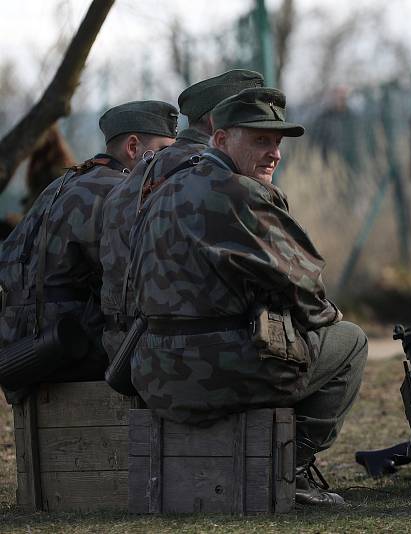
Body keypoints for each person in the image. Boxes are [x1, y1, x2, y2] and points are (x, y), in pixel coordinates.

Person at [127, 87, 367, 507]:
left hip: (156, 376)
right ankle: (289, 468)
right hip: (220, 373)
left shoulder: (161, 190)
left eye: (277, 142)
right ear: (220, 139)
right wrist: (320, 317)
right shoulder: (242, 193)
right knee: (349, 342)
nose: (274, 152)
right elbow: (309, 292)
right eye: (260, 139)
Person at [0, 101, 177, 402]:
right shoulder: (119, 193)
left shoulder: (61, 184)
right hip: (69, 353)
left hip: (21, 345)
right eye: (163, 153)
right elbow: (135, 284)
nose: (168, 166)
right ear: (133, 147)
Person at [100, 70, 264, 359]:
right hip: (201, 351)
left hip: (126, 351)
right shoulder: (223, 177)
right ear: (217, 124)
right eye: (253, 124)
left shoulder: (126, 183)